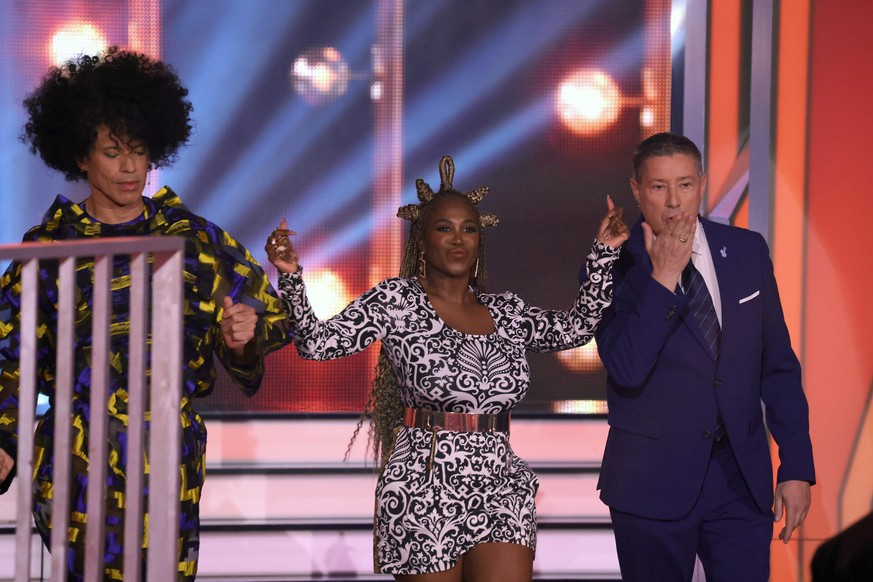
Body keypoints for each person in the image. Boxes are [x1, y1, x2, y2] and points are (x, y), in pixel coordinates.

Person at [264, 155, 628, 581]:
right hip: (425, 479)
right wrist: (290, 277)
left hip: (500, 480)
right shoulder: (397, 300)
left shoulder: (505, 311)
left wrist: (604, 256)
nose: (458, 239)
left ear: (480, 241)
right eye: (444, 228)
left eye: (469, 229)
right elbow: (316, 345)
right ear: (422, 240)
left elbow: (575, 329)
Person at [0, 47, 290, 580]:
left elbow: (266, 318)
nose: (131, 166)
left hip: (168, 459)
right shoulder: (49, 248)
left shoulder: (194, 241)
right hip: (77, 460)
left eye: (139, 149)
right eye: (112, 151)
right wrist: (4, 439)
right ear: (81, 156)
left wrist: (240, 338)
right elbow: (9, 354)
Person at [594, 132, 816, 581]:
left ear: (702, 183)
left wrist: (796, 467)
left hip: (739, 480)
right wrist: (664, 276)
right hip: (650, 483)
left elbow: (778, 366)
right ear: (637, 190)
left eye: (686, 185)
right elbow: (626, 368)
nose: (674, 202)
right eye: (659, 187)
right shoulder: (610, 266)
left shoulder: (747, 251)